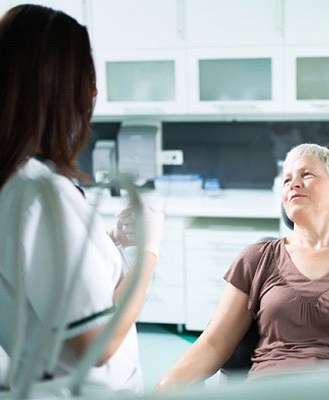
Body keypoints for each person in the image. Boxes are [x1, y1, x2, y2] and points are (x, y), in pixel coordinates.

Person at [155, 143, 329, 391]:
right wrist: (165, 386)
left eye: (306, 175)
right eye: (287, 179)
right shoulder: (255, 259)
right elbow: (213, 344)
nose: (293, 184)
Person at [0, 4, 164, 394]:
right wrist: (150, 252)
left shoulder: (17, 183)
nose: (93, 92)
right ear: (60, 88)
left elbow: (37, 278)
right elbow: (98, 342)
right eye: (87, 75)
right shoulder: (41, 195)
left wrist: (102, 242)